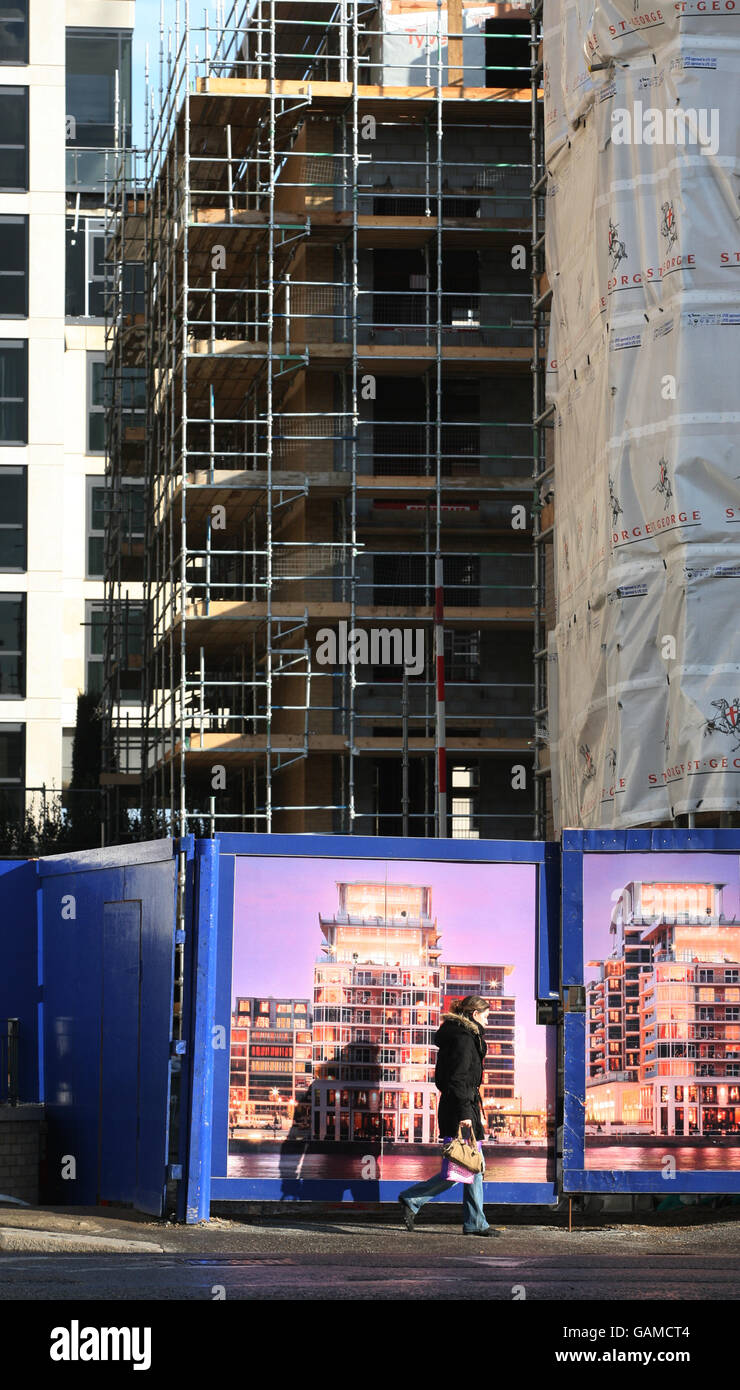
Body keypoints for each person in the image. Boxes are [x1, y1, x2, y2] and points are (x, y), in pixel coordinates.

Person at [397, 995, 498, 1236]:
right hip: (461, 1111)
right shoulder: (463, 1040)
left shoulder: (460, 1037)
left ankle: (474, 1222)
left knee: (470, 1166)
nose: (488, 1021)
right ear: (474, 1015)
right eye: (486, 1015)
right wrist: (465, 1115)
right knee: (464, 1166)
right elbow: (458, 1080)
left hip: (462, 1108)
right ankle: (413, 1198)